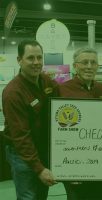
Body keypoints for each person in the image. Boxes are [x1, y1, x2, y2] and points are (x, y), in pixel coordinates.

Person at [2, 39, 58, 199]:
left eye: (39, 58)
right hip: (21, 152)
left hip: (41, 148)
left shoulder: (46, 81)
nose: (36, 62)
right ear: (19, 60)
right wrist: (39, 168)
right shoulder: (13, 92)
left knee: (41, 195)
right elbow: (21, 136)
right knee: (28, 196)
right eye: (30, 58)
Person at [59, 47, 102, 200]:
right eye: (84, 62)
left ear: (97, 66)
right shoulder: (62, 90)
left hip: (101, 159)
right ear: (75, 66)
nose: (89, 66)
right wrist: (66, 171)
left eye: (93, 62)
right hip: (74, 160)